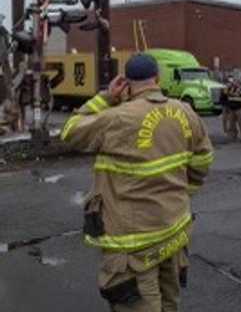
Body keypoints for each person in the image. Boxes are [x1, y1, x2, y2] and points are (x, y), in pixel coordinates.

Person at [60, 53, 214, 311]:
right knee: (169, 303)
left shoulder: (117, 118)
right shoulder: (185, 112)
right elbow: (203, 159)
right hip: (174, 230)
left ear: (127, 82)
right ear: (158, 78)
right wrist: (186, 192)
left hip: (133, 243)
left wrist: (105, 98)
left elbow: (70, 131)